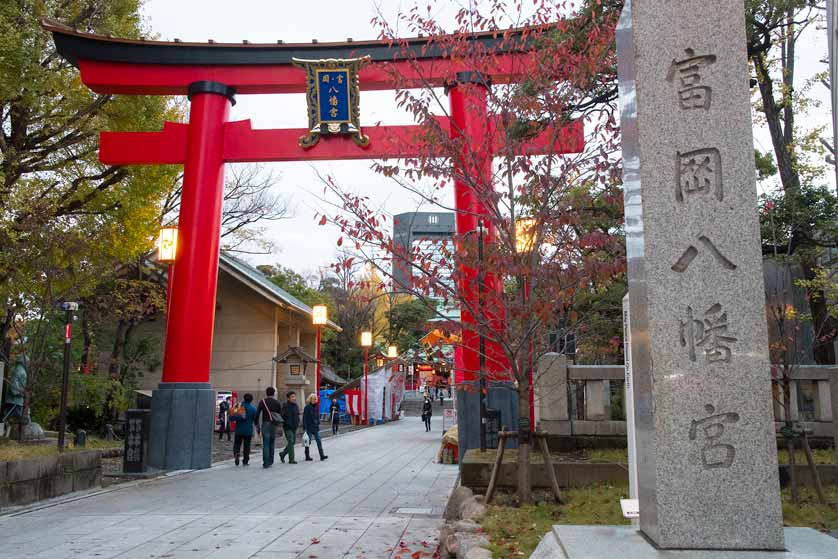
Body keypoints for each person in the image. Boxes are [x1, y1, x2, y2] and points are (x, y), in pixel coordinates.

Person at [255, 387, 283, 468]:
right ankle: (271, 460)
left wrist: (256, 424)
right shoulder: (277, 402)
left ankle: (266, 462)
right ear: (274, 393)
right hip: (274, 424)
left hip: (265, 423)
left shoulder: (263, 402)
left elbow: (257, 414)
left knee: (266, 443)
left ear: (266, 393)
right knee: (272, 442)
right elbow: (280, 414)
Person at [230, 393, 256, 466]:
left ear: (244, 398)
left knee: (237, 443)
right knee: (247, 446)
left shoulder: (238, 406)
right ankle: (245, 460)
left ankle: (237, 453)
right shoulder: (253, 408)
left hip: (239, 429)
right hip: (248, 430)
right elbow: (255, 419)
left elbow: (232, 417)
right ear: (251, 400)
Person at [303, 394, 328, 461]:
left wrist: (318, 422)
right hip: (309, 427)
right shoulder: (307, 407)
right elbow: (304, 418)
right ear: (310, 399)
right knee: (308, 442)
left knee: (319, 441)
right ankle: (307, 456)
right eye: (314, 399)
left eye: (316, 399)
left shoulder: (317, 406)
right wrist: (305, 428)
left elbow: (317, 416)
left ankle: (322, 455)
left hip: (316, 427)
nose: (315, 400)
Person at [279, 391, 300, 464]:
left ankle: (283, 454)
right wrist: (286, 423)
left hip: (294, 426)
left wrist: (297, 423)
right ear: (288, 398)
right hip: (287, 427)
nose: (294, 398)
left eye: (294, 396)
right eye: (292, 397)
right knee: (291, 441)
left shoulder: (296, 405)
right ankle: (291, 459)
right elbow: (281, 416)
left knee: (293, 442)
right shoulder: (285, 406)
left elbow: (297, 415)